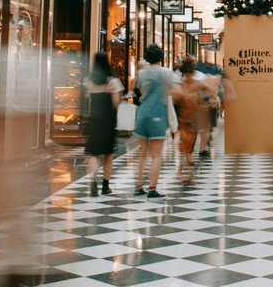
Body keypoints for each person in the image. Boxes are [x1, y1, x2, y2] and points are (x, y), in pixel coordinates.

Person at [133, 44, 179, 198]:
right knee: (156, 156)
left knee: (142, 155)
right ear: (161, 58)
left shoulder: (140, 74)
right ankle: (152, 189)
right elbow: (177, 91)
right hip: (158, 115)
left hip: (142, 114)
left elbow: (139, 90)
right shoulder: (167, 73)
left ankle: (138, 186)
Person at [84, 51, 123, 196]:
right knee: (108, 153)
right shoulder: (112, 82)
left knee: (94, 153)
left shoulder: (89, 81)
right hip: (108, 121)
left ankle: (92, 182)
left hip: (94, 120)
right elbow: (116, 102)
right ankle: (105, 185)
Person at [174, 57, 219, 184]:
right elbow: (212, 90)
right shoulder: (197, 84)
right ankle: (187, 173)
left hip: (184, 119)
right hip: (192, 119)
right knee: (187, 148)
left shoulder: (180, 85)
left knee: (186, 147)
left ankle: (186, 173)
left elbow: (174, 98)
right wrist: (209, 100)